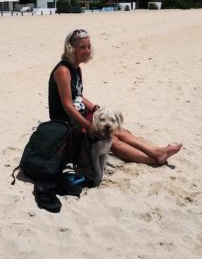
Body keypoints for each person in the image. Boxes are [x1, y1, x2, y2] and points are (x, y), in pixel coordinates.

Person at [49, 28, 182, 166]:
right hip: (66, 124)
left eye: (88, 47)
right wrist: (87, 125)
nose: (87, 51)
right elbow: (67, 105)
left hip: (79, 117)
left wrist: (96, 109)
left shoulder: (76, 69)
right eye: (82, 47)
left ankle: (156, 151)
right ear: (71, 49)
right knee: (109, 139)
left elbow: (78, 97)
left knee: (119, 131)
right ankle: (151, 159)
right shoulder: (63, 71)